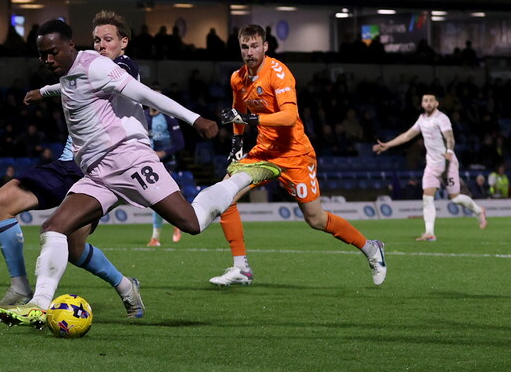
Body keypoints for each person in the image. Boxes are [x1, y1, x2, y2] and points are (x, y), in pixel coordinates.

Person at [0, 18, 277, 327]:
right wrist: (43, 92)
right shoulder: (69, 71)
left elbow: (146, 95)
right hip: (98, 172)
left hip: (128, 161)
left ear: (71, 46)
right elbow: (68, 85)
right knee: (55, 227)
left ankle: (242, 176)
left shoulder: (100, 66)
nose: (48, 60)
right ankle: (38, 304)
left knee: (191, 223)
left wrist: (195, 119)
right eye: (42, 55)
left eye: (53, 52)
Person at [0, 10, 152, 318]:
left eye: (108, 40)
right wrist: (44, 91)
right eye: (97, 40)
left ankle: (42, 300)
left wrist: (47, 90)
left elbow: (106, 83)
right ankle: (123, 287)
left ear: (123, 43)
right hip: (69, 164)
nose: (101, 45)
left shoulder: (124, 68)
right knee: (4, 207)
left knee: (65, 241)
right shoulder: (85, 70)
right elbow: (76, 82)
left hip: (100, 168)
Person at [209, 24, 387, 288]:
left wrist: (249, 118)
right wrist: (237, 143)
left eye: (255, 46)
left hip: (295, 154)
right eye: (245, 47)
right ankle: (241, 268)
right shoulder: (238, 78)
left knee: (316, 219)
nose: (249, 52)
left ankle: (371, 248)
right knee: (225, 197)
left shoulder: (279, 74)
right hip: (264, 153)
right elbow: (237, 111)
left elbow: (289, 116)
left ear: (265, 46)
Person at [373, 93, 488, 240]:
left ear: (436, 104)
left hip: (447, 164)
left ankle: (479, 211)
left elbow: (450, 137)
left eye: (431, 101)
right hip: (432, 166)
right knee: (427, 198)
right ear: (421, 104)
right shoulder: (421, 120)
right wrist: (387, 145)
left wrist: (450, 151)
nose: (428, 103)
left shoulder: (442, 118)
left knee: (455, 198)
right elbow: (407, 136)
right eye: (425, 101)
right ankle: (429, 233)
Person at [145, 85, 186, 246]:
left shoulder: (169, 118)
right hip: (148, 162)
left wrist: (163, 153)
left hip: (167, 162)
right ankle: (176, 222)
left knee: (158, 195)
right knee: (156, 197)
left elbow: (180, 143)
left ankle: (156, 237)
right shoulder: (141, 116)